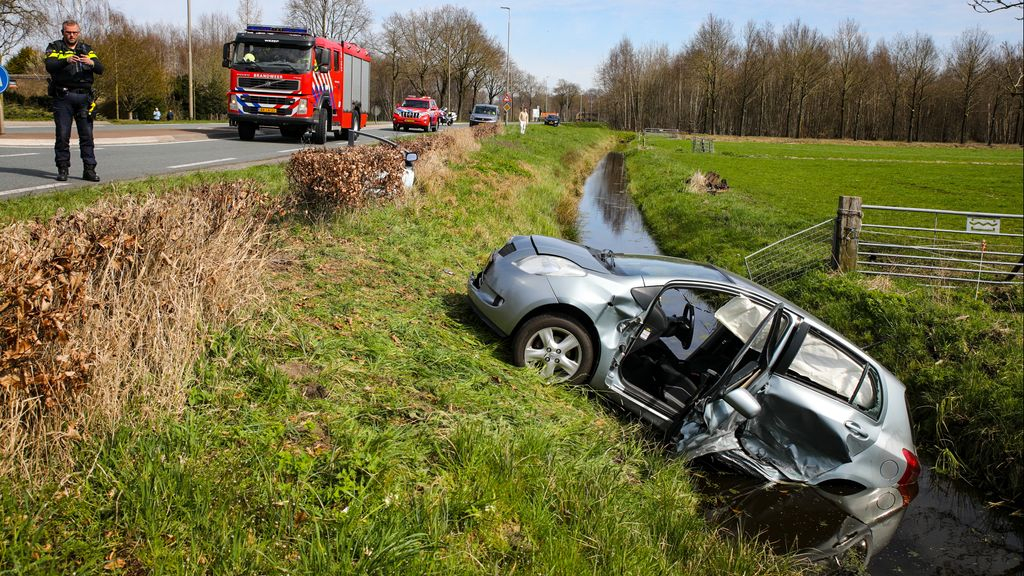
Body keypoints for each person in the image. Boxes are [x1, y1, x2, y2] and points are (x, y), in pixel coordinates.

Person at [45, 19, 103, 182]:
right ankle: (63, 169)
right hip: (63, 97)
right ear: (63, 32)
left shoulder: (86, 48)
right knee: (63, 135)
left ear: (79, 33)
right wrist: (66, 60)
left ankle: (89, 170)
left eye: (75, 32)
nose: (71, 35)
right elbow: (49, 65)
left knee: (87, 136)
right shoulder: (55, 47)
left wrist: (90, 62)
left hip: (84, 97)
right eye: (68, 32)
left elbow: (100, 68)